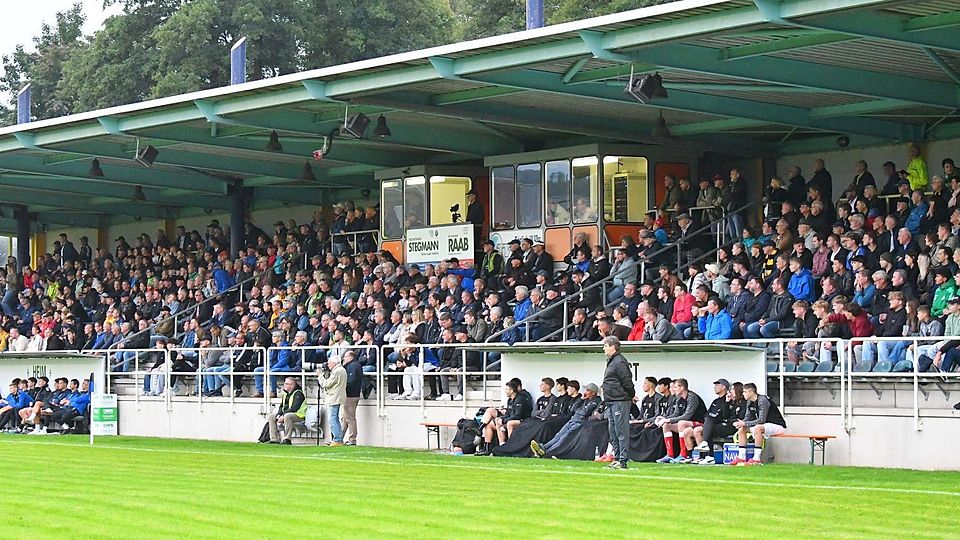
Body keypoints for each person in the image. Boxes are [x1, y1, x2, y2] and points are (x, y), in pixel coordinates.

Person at [530, 383, 602, 458]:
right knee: (558, 435)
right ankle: (543, 447)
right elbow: (573, 409)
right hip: (572, 420)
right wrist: (581, 399)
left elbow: (585, 412)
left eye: (587, 390)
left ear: (593, 392)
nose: (585, 392)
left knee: (563, 438)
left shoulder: (596, 401)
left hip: (579, 423)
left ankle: (547, 452)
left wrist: (579, 410)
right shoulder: (584, 399)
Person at [600, 336, 635, 469]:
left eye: (605, 345)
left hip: (620, 400)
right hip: (611, 401)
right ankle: (617, 457)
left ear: (612, 346)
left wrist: (630, 395)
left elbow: (627, 381)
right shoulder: (612, 361)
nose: (604, 348)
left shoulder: (619, 362)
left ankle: (623, 460)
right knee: (613, 432)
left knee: (621, 431)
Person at [732, 383, 786, 465]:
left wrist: (745, 423)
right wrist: (741, 424)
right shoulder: (749, 402)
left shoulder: (762, 400)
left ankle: (756, 459)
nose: (743, 394)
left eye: (745, 392)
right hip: (764, 426)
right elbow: (748, 416)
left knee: (758, 428)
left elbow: (761, 420)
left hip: (777, 425)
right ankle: (741, 457)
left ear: (751, 392)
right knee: (742, 429)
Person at [654, 378, 706, 464]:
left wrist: (669, 419)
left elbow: (687, 416)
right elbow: (676, 414)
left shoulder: (692, 397)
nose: (673, 389)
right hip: (687, 424)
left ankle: (683, 454)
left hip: (699, 423)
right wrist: (664, 419)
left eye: (675, 387)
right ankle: (669, 454)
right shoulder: (678, 398)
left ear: (682, 388)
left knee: (682, 423)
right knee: (667, 425)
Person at [476, 378, 533, 455]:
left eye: (506, 389)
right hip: (512, 419)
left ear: (511, 391)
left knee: (510, 423)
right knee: (491, 424)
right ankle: (499, 447)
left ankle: (511, 447)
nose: (505, 391)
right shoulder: (510, 400)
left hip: (523, 420)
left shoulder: (520, 398)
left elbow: (518, 415)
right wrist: (500, 419)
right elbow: (508, 413)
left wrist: (504, 421)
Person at [265, 377, 307, 445]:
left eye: (287, 384)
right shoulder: (285, 394)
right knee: (272, 416)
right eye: (285, 383)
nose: (284, 385)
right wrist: (279, 414)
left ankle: (287, 439)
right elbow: (281, 406)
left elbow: (294, 408)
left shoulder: (298, 394)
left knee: (287, 416)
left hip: (299, 415)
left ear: (292, 385)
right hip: (287, 414)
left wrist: (283, 416)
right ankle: (274, 439)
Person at [319, 356, 347, 446]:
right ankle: (337, 438)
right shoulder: (341, 370)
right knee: (334, 418)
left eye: (329, 363)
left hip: (334, 397)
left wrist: (320, 376)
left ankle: (338, 439)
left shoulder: (337, 371)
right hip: (337, 396)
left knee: (333, 419)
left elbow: (326, 384)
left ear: (333, 363)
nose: (328, 365)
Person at [341, 350, 363, 445]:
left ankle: (352, 439)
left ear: (350, 356)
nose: (344, 359)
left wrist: (343, 387)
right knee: (345, 418)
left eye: (345, 356)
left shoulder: (353, 366)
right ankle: (338, 438)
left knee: (349, 418)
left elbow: (352, 380)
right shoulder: (353, 365)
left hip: (351, 395)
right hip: (351, 395)